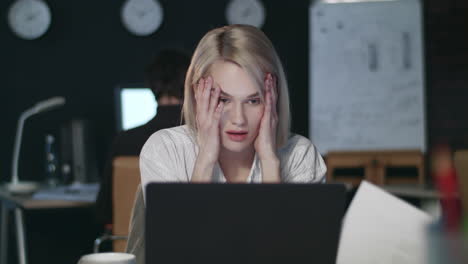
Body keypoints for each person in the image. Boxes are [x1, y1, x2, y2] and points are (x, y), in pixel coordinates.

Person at [140, 25, 326, 195]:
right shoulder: (165, 149)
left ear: (274, 97)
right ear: (197, 94)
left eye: (253, 100)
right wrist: (205, 158)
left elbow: (291, 233)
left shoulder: (300, 155)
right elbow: (179, 233)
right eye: (223, 100)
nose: (238, 119)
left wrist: (270, 162)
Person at [95, 49, 190, 227]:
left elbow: (104, 213)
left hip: (127, 247)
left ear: (151, 85)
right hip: (182, 245)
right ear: (192, 83)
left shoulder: (123, 140)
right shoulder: (201, 140)